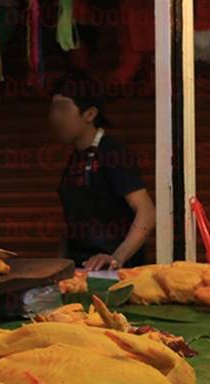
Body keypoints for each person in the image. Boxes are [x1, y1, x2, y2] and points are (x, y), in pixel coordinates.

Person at [49, 73, 155, 270]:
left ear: (90, 114)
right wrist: (59, 265)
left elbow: (147, 212)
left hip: (115, 274)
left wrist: (116, 257)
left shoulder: (112, 152)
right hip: (81, 270)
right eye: (53, 108)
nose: (54, 117)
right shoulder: (74, 158)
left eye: (62, 109)